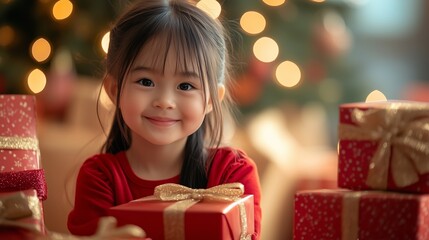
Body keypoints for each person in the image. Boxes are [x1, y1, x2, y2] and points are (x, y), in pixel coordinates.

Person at [67, 0, 262, 239]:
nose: (165, 101)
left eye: (185, 85)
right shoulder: (100, 178)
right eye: (146, 82)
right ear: (114, 90)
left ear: (212, 99)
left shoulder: (232, 175)